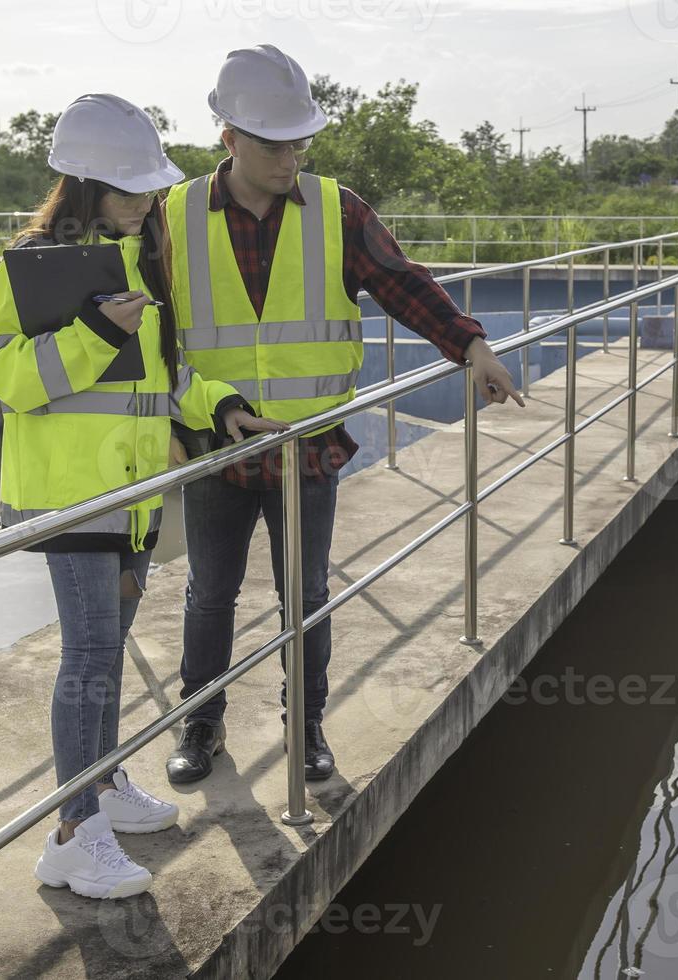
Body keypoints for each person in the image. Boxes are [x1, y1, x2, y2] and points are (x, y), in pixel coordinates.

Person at [160, 44, 525, 787]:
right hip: (216, 441)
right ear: (228, 138)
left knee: (307, 596)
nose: (290, 157)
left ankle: (306, 726)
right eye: (274, 144)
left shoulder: (338, 209)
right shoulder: (173, 216)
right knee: (210, 594)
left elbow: (403, 285)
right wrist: (184, 414)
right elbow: (156, 340)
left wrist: (472, 346)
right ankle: (200, 725)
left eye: (299, 142)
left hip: (308, 444)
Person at [0, 93, 287, 899]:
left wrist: (218, 405)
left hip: (135, 495)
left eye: (150, 189)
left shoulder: (135, 260)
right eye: (129, 190)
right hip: (72, 497)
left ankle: (104, 783)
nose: (147, 203)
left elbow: (163, 378)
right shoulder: (29, 265)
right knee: (86, 657)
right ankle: (72, 834)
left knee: (107, 651)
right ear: (83, 186)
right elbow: (7, 379)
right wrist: (95, 334)